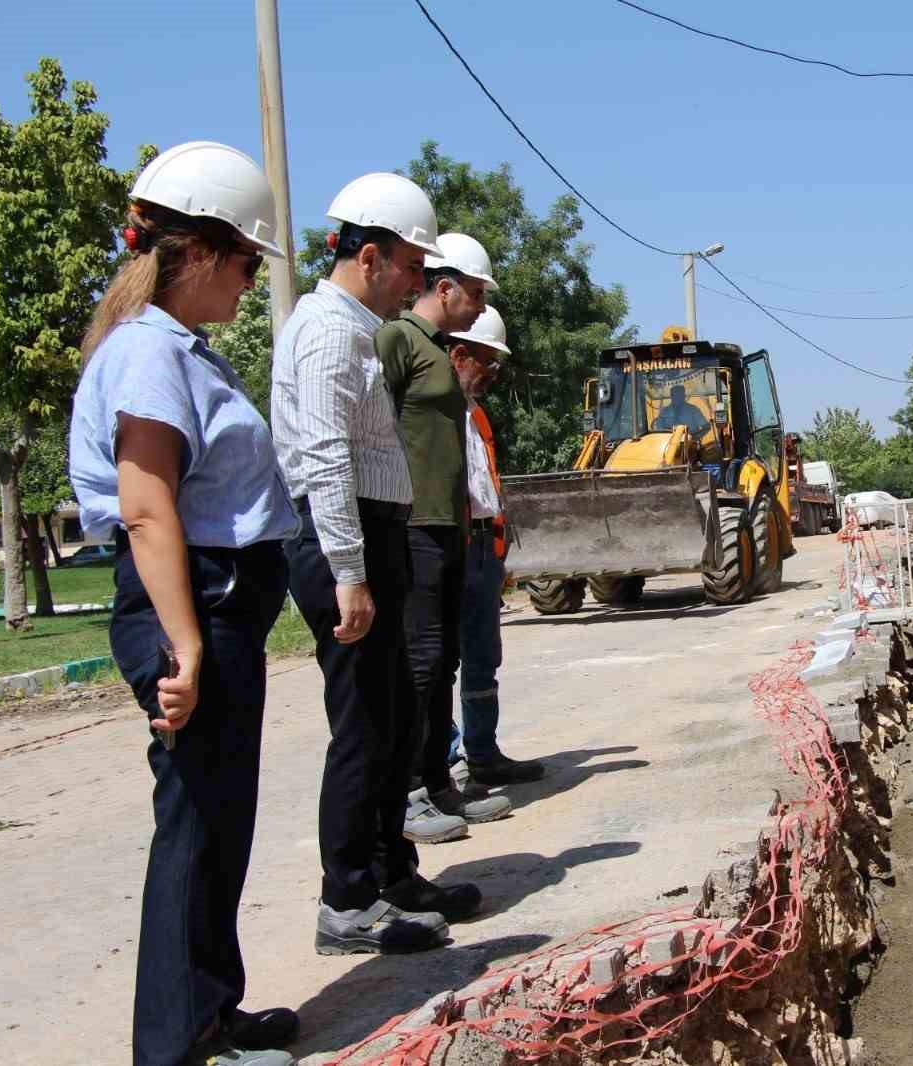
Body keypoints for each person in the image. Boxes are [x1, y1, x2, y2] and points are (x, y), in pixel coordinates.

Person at [70, 141, 298, 1066]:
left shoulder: (175, 350)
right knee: (196, 822)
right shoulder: (148, 356)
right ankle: (174, 1044)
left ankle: (210, 1009)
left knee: (218, 817)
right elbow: (147, 504)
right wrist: (186, 647)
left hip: (211, 603)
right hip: (189, 604)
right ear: (199, 254)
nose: (250, 283)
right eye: (248, 263)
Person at [271, 172, 474, 956]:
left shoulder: (354, 327)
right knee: (362, 725)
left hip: (370, 531)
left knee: (392, 719)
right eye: (411, 266)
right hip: (340, 537)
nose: (419, 281)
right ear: (369, 256)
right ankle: (347, 899)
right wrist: (349, 571)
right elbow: (323, 457)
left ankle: (393, 874)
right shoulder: (327, 329)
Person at [375, 232, 519, 838]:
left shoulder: (434, 351)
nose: (482, 307)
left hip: (451, 529)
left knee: (446, 664)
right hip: (414, 527)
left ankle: (439, 783)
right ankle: (409, 790)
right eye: (477, 294)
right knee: (420, 665)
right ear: (446, 286)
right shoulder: (397, 341)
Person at [443, 308, 547, 794]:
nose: (493, 374)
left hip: (483, 545)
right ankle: (445, 762)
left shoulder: (476, 415)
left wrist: (499, 551)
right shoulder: (430, 412)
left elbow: (488, 486)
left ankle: (483, 753)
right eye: (490, 363)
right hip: (449, 546)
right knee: (439, 661)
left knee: (483, 656)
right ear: (460, 355)